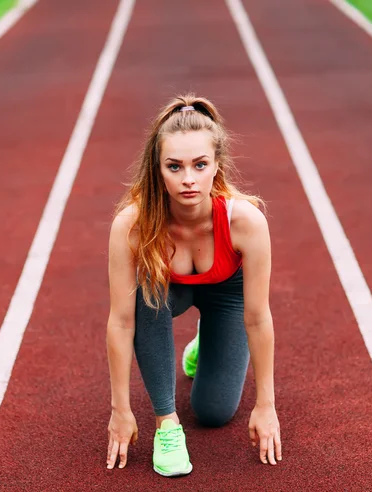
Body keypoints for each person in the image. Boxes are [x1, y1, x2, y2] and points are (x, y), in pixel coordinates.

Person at [105, 94, 282, 476]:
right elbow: (120, 322)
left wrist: (266, 404)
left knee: (214, 412)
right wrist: (121, 409)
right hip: (171, 292)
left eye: (200, 165)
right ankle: (166, 425)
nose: (188, 179)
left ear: (217, 166)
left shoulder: (245, 222)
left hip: (227, 296)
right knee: (148, 299)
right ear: (158, 168)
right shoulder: (132, 226)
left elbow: (257, 318)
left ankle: (208, 339)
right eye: (175, 166)